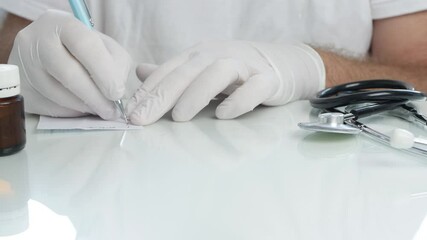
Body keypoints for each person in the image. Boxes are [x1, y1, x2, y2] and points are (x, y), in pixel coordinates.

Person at [0, 0, 426, 126]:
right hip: (118, 205)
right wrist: (23, 71)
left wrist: (311, 68)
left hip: (335, 205)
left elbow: (419, 74)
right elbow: (10, 55)